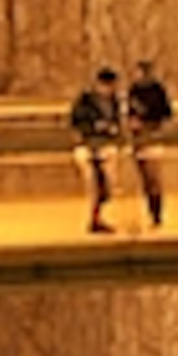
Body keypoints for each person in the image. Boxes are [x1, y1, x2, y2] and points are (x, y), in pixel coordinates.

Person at [70, 66, 122, 232]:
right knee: (93, 185)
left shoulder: (114, 102)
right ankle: (94, 219)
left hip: (105, 147)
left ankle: (98, 217)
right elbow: (76, 122)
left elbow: (117, 123)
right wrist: (94, 127)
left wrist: (113, 130)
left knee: (107, 186)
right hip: (87, 148)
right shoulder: (85, 101)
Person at [126, 59, 173, 225]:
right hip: (139, 137)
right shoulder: (134, 90)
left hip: (152, 135)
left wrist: (151, 122)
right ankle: (152, 210)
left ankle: (156, 212)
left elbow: (166, 113)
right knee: (146, 179)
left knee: (154, 178)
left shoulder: (157, 90)